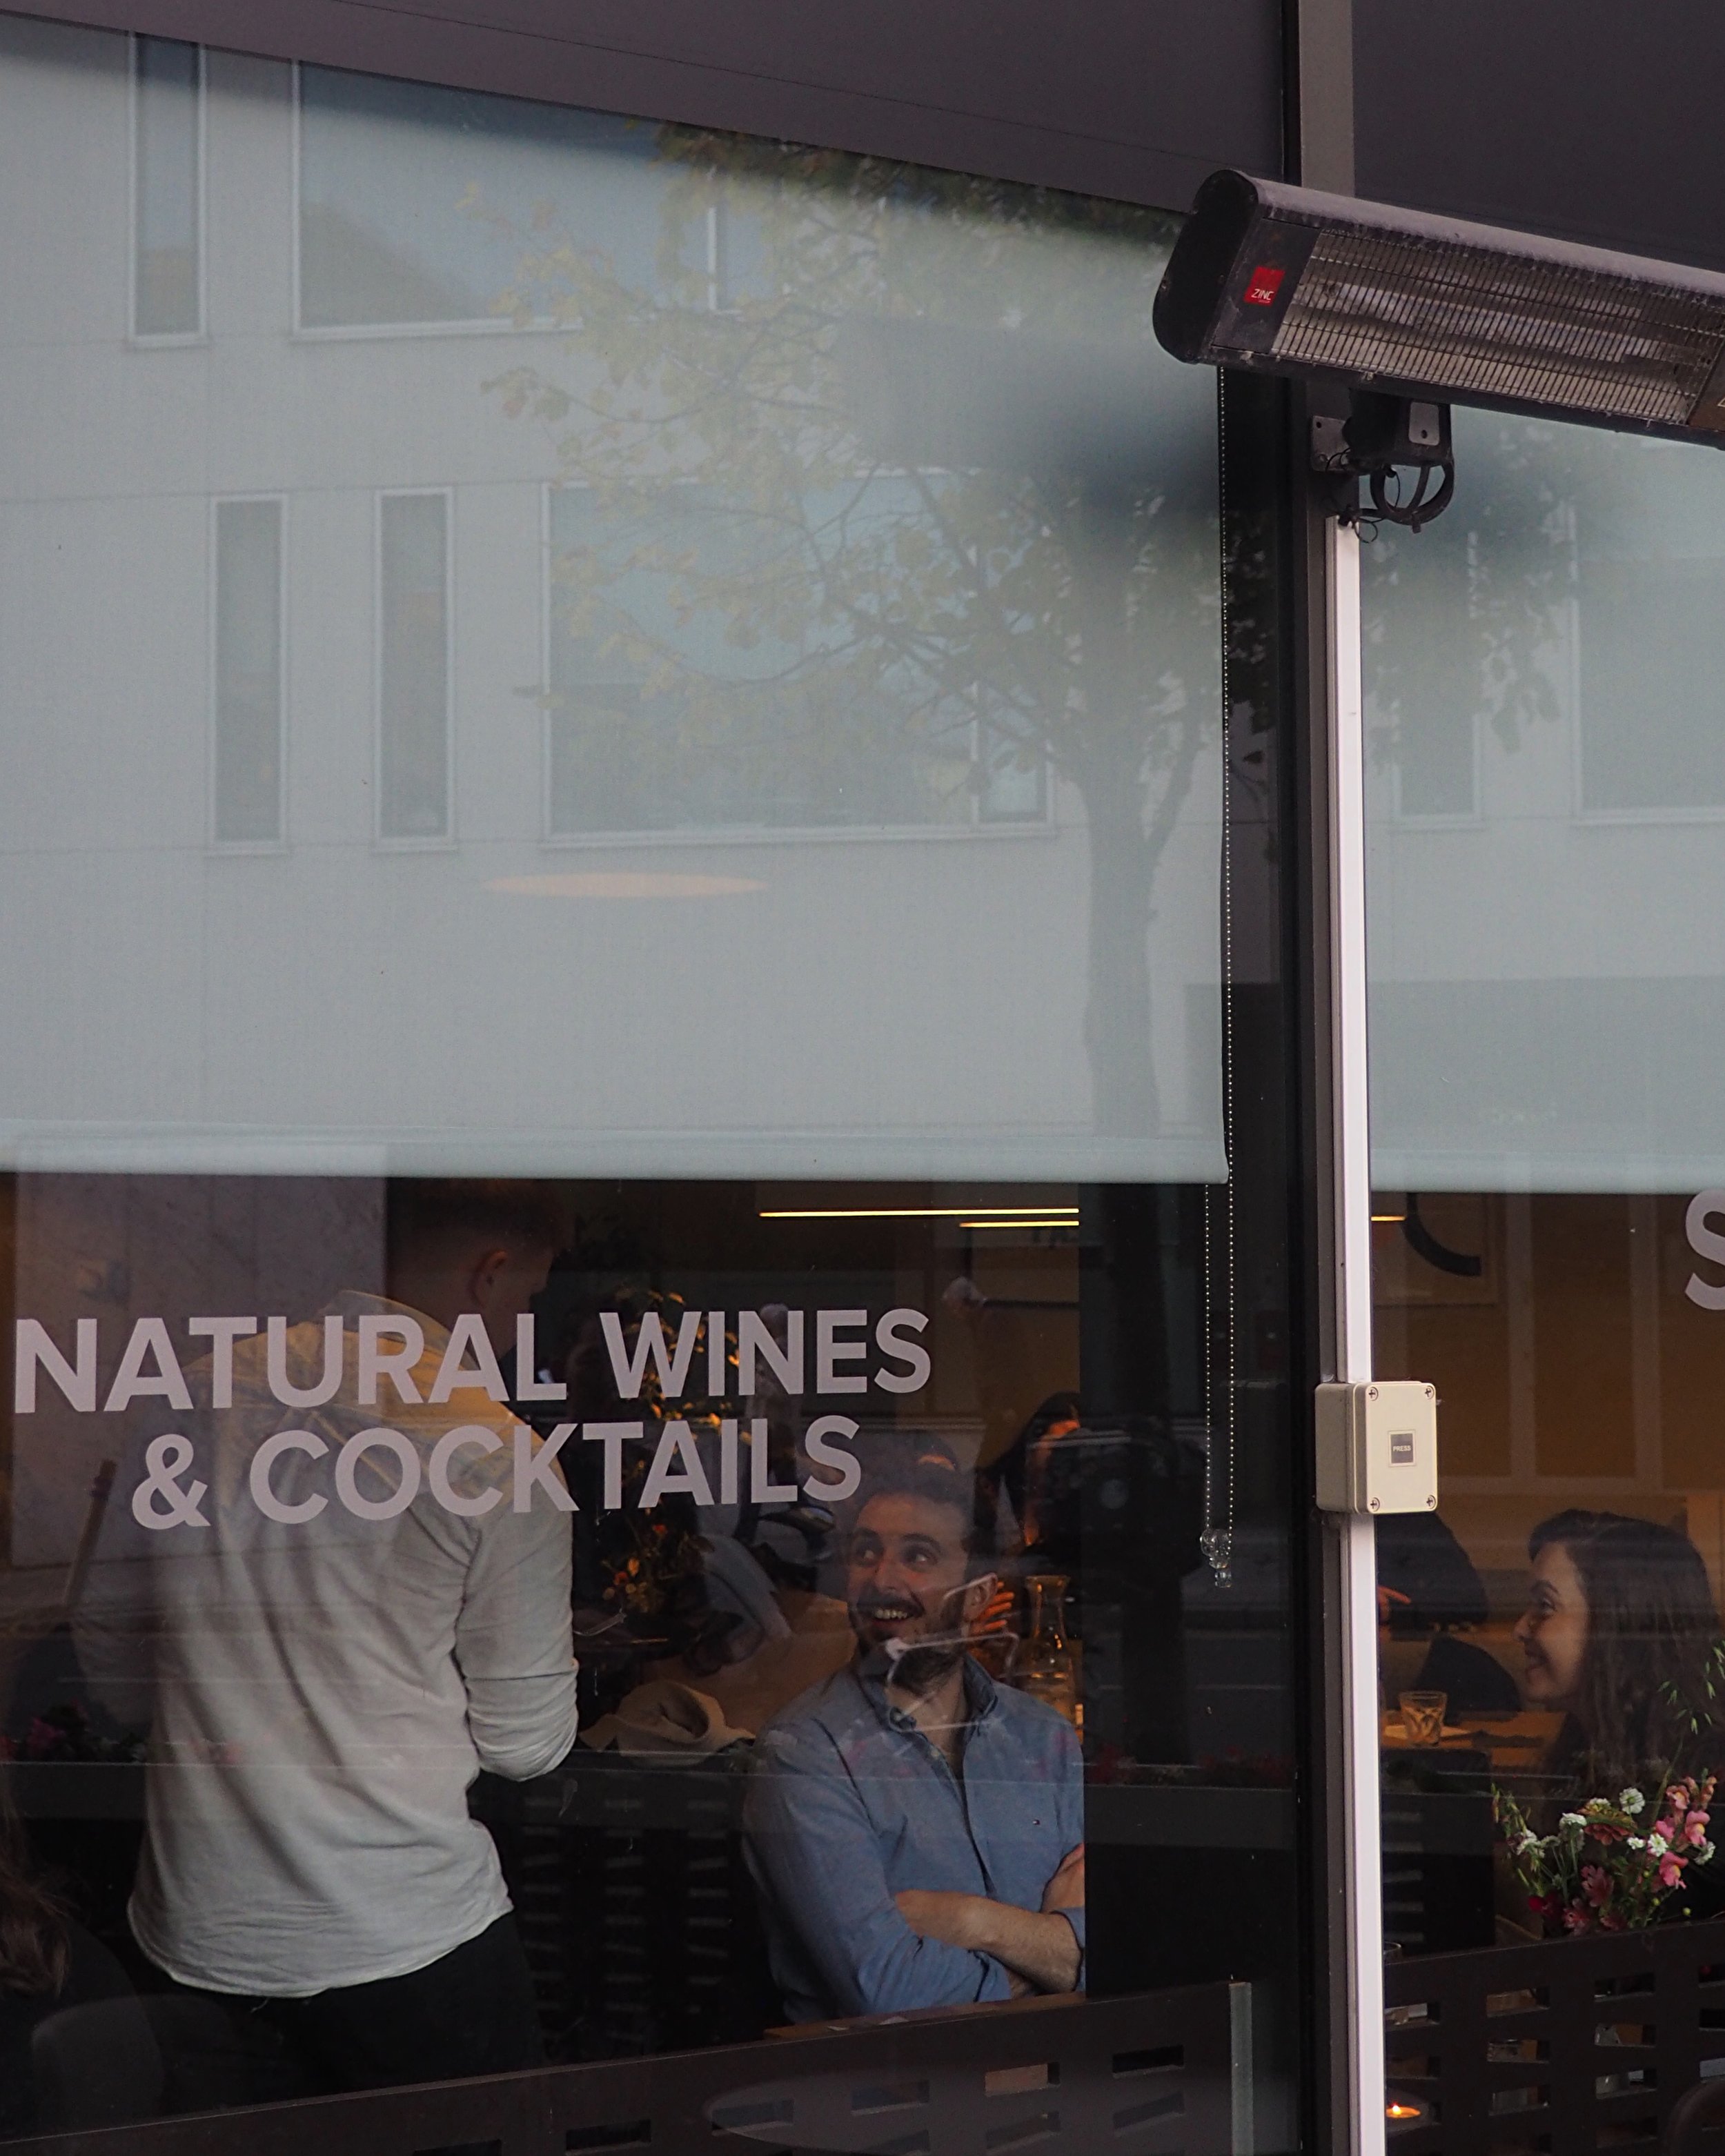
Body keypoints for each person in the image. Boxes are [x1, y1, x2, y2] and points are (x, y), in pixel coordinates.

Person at [77, 1180, 579, 2099]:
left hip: (201, 1929)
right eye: (531, 1298)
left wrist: (226, 1699)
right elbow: (526, 1745)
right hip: (410, 1936)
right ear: (490, 1274)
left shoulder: (189, 1399)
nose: (521, 1324)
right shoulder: (494, 1452)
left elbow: (109, 1661)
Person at [742, 1443, 1085, 2022]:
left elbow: (1119, 1953)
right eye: (867, 1552)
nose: (883, 1579)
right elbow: (890, 1993)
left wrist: (972, 1922)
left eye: (918, 1557)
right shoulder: (802, 1753)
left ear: (978, 1593)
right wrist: (1049, 1953)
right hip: (888, 2104)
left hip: (1057, 2093)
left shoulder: (1043, 1739)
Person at [1515, 1508, 1724, 1794]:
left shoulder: (1710, 1780)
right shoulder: (1587, 1750)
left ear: (1616, 1623)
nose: (1520, 1629)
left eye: (1545, 1605)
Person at [1377, 1511, 1520, 1716]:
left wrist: (1389, 1608)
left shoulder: (1404, 1516)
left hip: (1401, 1655)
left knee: (1473, 1674)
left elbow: (1469, 1599)